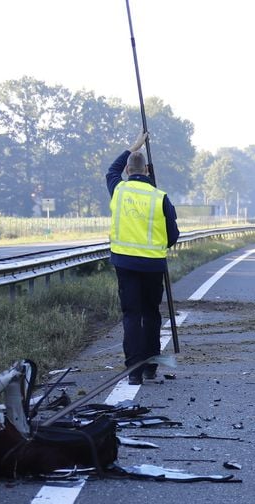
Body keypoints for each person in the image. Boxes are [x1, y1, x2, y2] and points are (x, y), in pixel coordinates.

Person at [106, 131, 180, 385]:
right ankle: (150, 366)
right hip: (152, 265)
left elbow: (111, 170)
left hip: (124, 264)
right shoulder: (160, 198)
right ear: (147, 170)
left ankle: (134, 372)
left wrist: (133, 146)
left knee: (131, 316)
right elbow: (172, 235)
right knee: (151, 314)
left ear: (128, 170)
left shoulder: (118, 190)